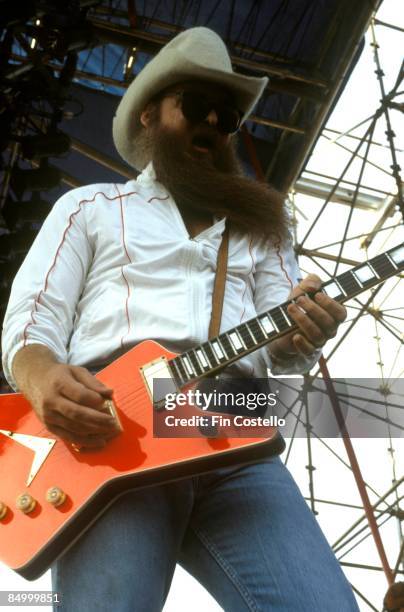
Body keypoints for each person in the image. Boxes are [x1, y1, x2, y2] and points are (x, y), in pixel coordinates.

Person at [1, 27, 358, 612]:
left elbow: (283, 347)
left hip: (233, 430)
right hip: (114, 428)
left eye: (228, 118)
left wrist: (303, 333)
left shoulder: (263, 228)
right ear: (148, 116)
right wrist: (40, 379)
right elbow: (32, 320)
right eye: (196, 106)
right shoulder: (90, 207)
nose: (214, 124)